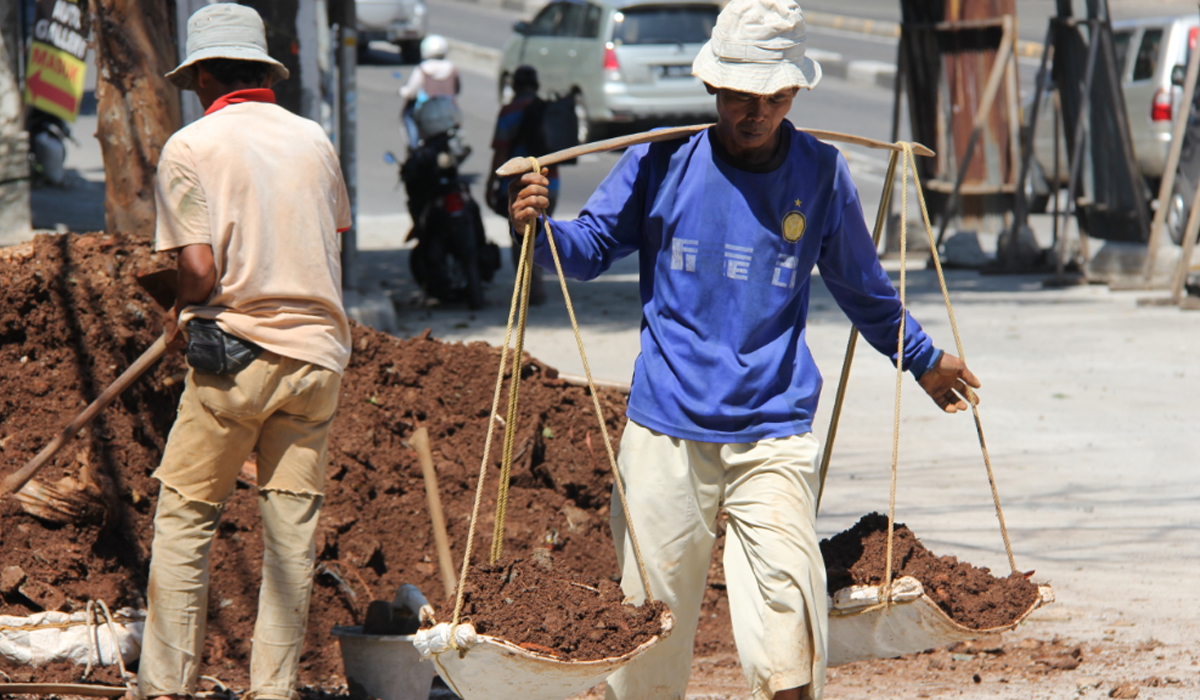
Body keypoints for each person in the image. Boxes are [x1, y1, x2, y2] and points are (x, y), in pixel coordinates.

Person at [506, 1, 982, 699]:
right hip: (667, 427)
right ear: (713, 90)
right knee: (647, 639)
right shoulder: (659, 162)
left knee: (790, 629)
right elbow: (587, 250)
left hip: (773, 429)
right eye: (737, 97)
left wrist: (921, 358)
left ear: (794, 94)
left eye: (771, 98)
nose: (753, 114)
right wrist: (539, 229)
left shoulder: (820, 174)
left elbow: (863, 287)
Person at [141, 5, 352, 700]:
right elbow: (331, 236)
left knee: (186, 517)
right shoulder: (315, 139)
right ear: (263, 70)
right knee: (291, 532)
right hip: (318, 360)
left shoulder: (191, 147)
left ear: (202, 76)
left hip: (233, 356)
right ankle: (274, 690)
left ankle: (167, 686)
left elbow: (200, 273)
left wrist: (174, 300)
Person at [487, 64, 558, 305]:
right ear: (536, 86)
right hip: (551, 184)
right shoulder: (548, 109)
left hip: (522, 187)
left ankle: (529, 293)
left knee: (522, 236)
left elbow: (500, 152)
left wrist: (491, 183)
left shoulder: (509, 111)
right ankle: (533, 289)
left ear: (514, 86)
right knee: (541, 233)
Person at [399, 34, 460, 149]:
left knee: (407, 115)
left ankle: (413, 146)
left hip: (426, 111)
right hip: (450, 112)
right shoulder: (452, 68)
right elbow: (457, 89)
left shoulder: (423, 68)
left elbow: (410, 92)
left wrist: (402, 91)